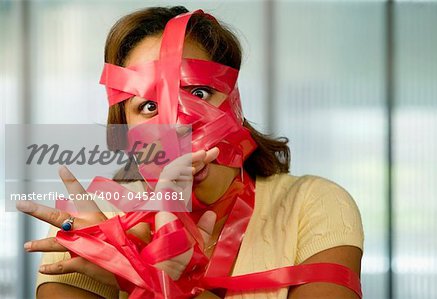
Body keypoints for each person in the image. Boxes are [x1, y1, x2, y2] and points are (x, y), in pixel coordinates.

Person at [17, 6, 364, 299]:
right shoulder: (94, 220)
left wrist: (159, 282)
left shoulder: (314, 204)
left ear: (234, 102)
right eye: (149, 106)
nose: (179, 127)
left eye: (198, 93)